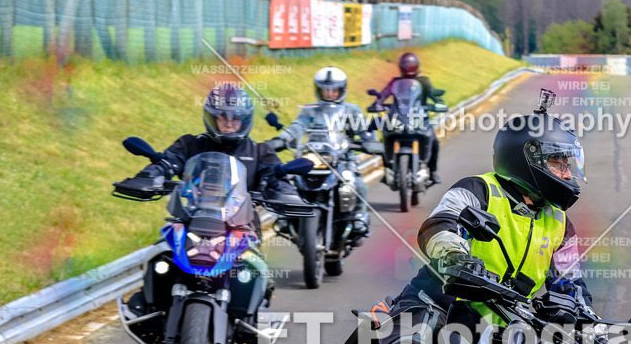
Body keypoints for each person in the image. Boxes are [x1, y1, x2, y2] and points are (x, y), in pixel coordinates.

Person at [309, 109, 592, 344]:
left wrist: (579, 310)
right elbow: (440, 225)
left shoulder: (559, 223)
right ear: (527, 159)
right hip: (436, 303)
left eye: (569, 163)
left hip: (504, 325)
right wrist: (456, 257)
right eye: (559, 163)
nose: (568, 173)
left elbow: (570, 279)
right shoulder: (479, 190)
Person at [118, 83, 301, 235]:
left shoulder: (260, 150)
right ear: (211, 117)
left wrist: (283, 189)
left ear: (245, 120)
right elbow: (170, 160)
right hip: (190, 221)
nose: (229, 123)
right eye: (223, 117)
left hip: (242, 227)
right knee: (161, 255)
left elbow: (274, 175)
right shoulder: (190, 144)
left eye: (235, 118)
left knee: (252, 268)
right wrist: (154, 173)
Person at [265, 66, 372, 242]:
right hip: (312, 156)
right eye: (325, 89)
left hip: (343, 158)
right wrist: (283, 139)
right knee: (289, 179)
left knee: (356, 183)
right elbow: (297, 126)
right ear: (318, 89)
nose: (329, 94)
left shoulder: (352, 110)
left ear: (342, 89)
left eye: (334, 90)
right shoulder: (310, 110)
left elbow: (365, 131)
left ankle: (359, 216)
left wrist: (368, 141)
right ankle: (284, 216)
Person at [370, 52, 440, 184]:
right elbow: (383, 95)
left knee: (434, 140)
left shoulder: (424, 81)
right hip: (399, 118)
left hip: (419, 118)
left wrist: (438, 103)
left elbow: (435, 97)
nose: (409, 69)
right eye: (406, 66)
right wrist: (377, 105)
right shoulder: (395, 82)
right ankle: (388, 168)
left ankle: (433, 170)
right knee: (384, 136)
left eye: (411, 66)